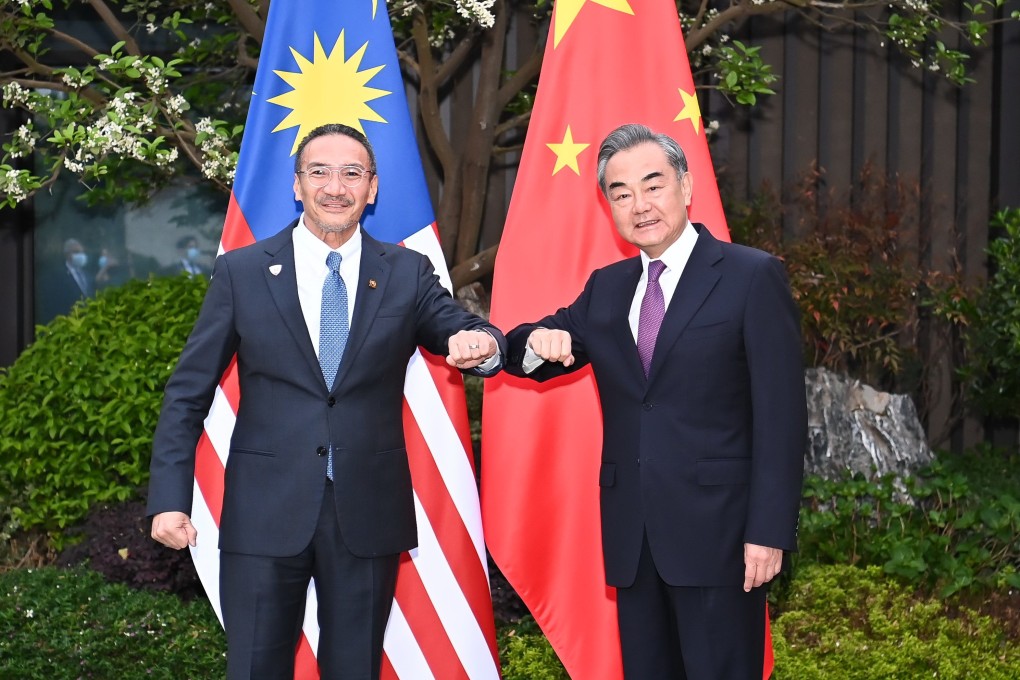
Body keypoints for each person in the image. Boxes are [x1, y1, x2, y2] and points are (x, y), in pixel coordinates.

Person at [147, 123, 507, 679]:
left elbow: (456, 326)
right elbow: (187, 393)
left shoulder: (406, 272)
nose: (335, 187)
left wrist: (480, 343)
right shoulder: (242, 272)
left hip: (367, 514)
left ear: (373, 188)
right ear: (297, 185)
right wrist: (169, 499)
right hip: (264, 515)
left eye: (351, 173)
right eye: (319, 172)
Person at [503, 123, 807, 679]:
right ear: (608, 206)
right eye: (620, 193)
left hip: (721, 539)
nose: (639, 205)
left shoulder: (750, 276)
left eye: (653, 185)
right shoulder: (607, 288)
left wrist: (768, 531)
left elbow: (782, 420)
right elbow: (533, 346)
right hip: (634, 541)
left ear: (685, 187)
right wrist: (523, 342)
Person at [39, 237, 93, 322]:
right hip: (68, 320)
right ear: (67, 254)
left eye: (82, 252)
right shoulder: (57, 275)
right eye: (76, 252)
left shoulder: (87, 275)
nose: (81, 255)